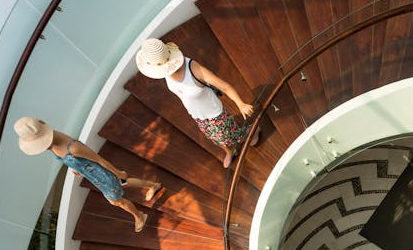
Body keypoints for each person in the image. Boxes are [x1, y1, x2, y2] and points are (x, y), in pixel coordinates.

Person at [14, 117, 161, 233]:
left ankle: (139, 216)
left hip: (102, 175)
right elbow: (70, 159)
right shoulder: (52, 144)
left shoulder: (73, 147)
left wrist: (117, 172)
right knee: (125, 182)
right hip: (92, 175)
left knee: (116, 201)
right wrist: (74, 167)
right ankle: (153, 186)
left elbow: (98, 159)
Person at [136, 38, 259, 168]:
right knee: (213, 137)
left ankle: (252, 130)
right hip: (197, 114)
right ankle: (230, 151)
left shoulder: (194, 69)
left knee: (230, 136)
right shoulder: (166, 72)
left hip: (214, 112)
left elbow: (225, 87)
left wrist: (240, 104)